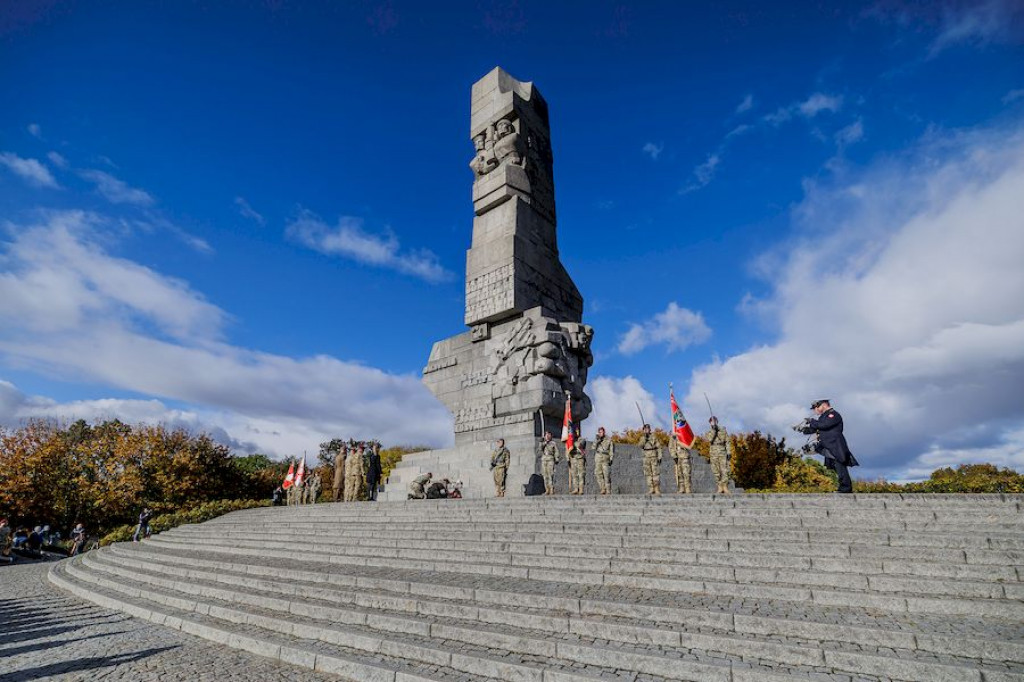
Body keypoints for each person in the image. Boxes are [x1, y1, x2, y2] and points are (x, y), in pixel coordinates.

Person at [797, 399, 859, 493]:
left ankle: (846, 489)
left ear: (823, 405)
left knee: (840, 465)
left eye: (815, 408)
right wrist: (802, 429)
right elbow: (816, 427)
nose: (814, 411)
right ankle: (843, 487)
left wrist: (812, 421)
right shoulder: (823, 417)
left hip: (835, 444)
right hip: (827, 444)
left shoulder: (833, 414)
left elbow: (824, 425)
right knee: (835, 466)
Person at [706, 416, 731, 494]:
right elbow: (710, 439)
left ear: (717, 421)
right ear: (710, 423)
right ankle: (719, 486)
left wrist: (729, 451)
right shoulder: (709, 432)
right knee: (716, 470)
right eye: (712, 421)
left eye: (715, 421)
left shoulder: (723, 430)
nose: (713, 422)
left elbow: (727, 441)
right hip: (713, 452)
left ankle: (725, 486)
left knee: (724, 470)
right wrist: (714, 430)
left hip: (722, 451)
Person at [639, 424, 662, 495]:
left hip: (653, 456)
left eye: (647, 429)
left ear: (650, 429)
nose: (646, 430)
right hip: (646, 457)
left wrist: (660, 456)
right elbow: (640, 445)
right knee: (648, 474)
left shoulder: (654, 437)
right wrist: (645, 439)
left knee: (655, 473)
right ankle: (651, 488)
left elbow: (659, 447)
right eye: (645, 429)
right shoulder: (642, 438)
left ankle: (656, 488)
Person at [539, 430, 560, 495]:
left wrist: (557, 458)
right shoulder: (542, 443)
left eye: (549, 435)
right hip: (544, 459)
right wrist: (544, 442)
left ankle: (551, 489)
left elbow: (556, 451)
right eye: (546, 435)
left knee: (550, 474)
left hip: (550, 459)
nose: (547, 436)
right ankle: (547, 489)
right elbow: (540, 449)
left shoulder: (553, 443)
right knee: (545, 475)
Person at [567, 430, 586, 495]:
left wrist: (572, 442)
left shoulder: (581, 439)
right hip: (573, 459)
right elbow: (568, 449)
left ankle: (581, 489)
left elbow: (580, 445)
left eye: (575, 432)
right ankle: (575, 489)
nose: (574, 434)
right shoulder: (570, 440)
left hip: (580, 459)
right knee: (574, 475)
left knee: (581, 475)